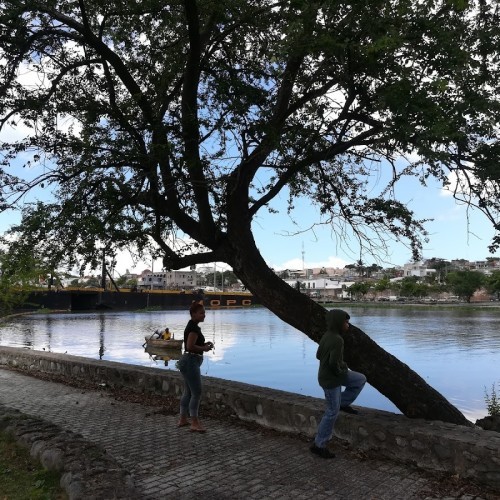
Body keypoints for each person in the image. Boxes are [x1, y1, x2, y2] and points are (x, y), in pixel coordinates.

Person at [310, 309, 366, 459]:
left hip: (336, 375)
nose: (348, 325)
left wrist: (342, 366)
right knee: (331, 412)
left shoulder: (328, 335)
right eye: (346, 322)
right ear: (338, 323)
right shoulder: (337, 339)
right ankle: (319, 445)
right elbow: (332, 363)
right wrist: (341, 370)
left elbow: (318, 355)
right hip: (331, 380)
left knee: (360, 379)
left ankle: (344, 402)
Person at [177, 302, 214, 432]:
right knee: (196, 392)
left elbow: (192, 344)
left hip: (188, 360)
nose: (204, 315)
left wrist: (204, 344)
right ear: (194, 314)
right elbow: (190, 346)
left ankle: (182, 419)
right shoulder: (193, 328)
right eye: (201, 313)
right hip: (191, 361)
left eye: (204, 312)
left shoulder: (192, 326)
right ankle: (194, 423)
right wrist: (204, 348)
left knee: (188, 392)